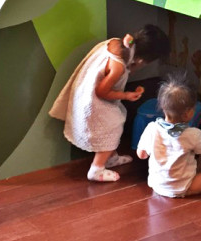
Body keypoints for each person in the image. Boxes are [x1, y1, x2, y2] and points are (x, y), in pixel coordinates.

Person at [49, 24, 170, 182]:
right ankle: (96, 168)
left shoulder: (118, 43)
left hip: (85, 92)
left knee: (117, 117)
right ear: (142, 60)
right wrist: (126, 95)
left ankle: (111, 157)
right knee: (113, 126)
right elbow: (101, 91)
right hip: (92, 101)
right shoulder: (118, 66)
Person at [137, 77, 201, 198]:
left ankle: (175, 189)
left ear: (163, 108)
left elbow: (141, 155)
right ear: (188, 114)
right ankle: (185, 191)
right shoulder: (192, 134)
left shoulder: (152, 128)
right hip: (183, 185)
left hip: (157, 184)